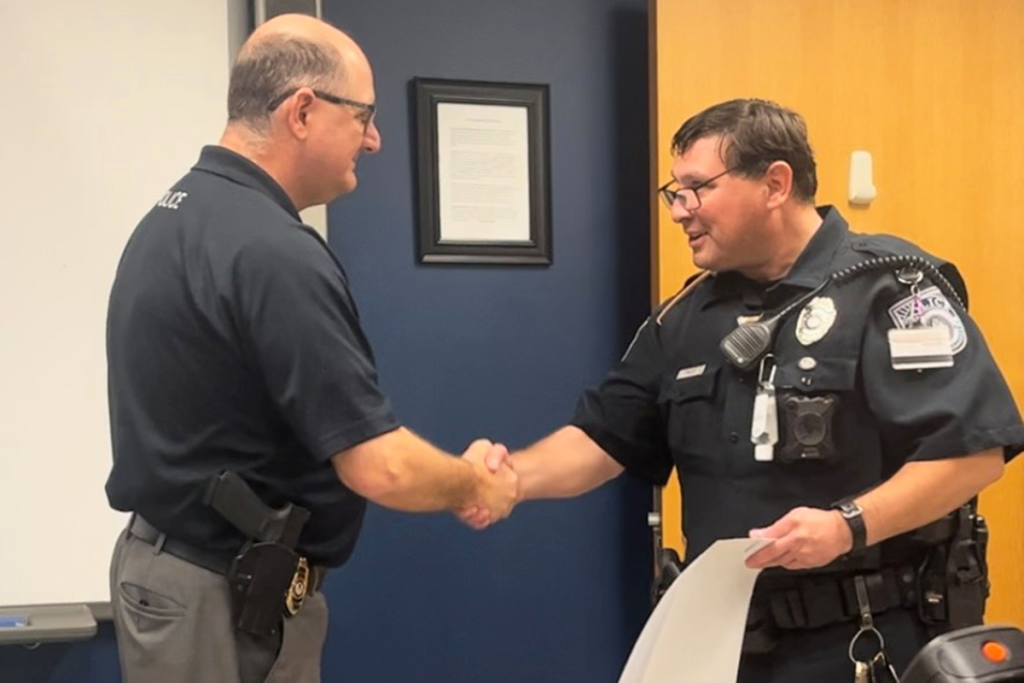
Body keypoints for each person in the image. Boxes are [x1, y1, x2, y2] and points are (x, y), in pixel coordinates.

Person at [466, 99, 1023, 683]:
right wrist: (512, 478)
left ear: (775, 183)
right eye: (674, 192)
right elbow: (605, 437)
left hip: (865, 640)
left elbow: (971, 454)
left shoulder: (892, 287)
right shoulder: (685, 315)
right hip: (727, 642)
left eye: (696, 188)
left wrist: (846, 526)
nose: (680, 211)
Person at [105, 14, 516, 683]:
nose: (375, 139)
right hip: (216, 597)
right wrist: (477, 483)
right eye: (362, 116)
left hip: (192, 575)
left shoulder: (178, 213)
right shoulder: (271, 250)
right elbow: (379, 465)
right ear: (302, 111)